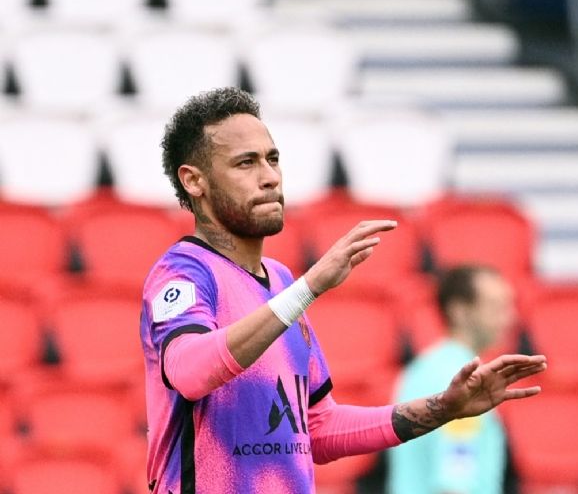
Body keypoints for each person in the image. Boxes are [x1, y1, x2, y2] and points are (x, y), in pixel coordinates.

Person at [142, 87, 547, 494]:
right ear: (194, 181)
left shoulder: (280, 282)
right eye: (245, 163)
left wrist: (442, 408)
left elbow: (319, 428)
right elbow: (189, 372)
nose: (270, 177)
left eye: (273, 159)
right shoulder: (184, 273)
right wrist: (310, 287)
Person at [389, 265, 516, 494]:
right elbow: (454, 483)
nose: (510, 318)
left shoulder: (417, 371)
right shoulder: (464, 382)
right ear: (459, 311)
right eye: (496, 307)